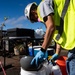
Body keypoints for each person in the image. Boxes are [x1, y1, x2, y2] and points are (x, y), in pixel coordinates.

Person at [24, 0, 75, 75]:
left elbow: (51, 27)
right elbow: (58, 35)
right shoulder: (54, 15)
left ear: (33, 13)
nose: (36, 21)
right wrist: (57, 53)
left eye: (33, 20)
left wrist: (42, 50)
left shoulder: (42, 6)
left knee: (71, 64)